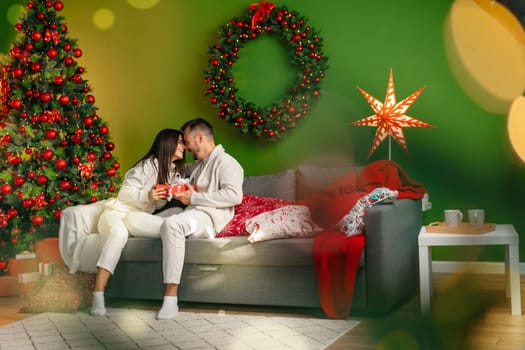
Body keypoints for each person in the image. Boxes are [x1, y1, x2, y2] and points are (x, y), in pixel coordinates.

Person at [58, 128, 186, 316]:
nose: (184, 146)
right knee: (118, 235)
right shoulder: (149, 165)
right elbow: (124, 194)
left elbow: (169, 195)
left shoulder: (173, 171)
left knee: (173, 220)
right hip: (116, 213)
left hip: (137, 218)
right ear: (168, 143)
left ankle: (184, 233)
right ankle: (98, 295)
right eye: (180, 142)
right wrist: (148, 194)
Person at [156, 117, 244, 320]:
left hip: (209, 218)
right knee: (155, 219)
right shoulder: (200, 165)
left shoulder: (227, 163)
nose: (186, 147)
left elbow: (234, 196)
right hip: (191, 213)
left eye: (187, 141)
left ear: (200, 138)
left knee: (172, 225)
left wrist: (193, 197)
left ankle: (170, 298)